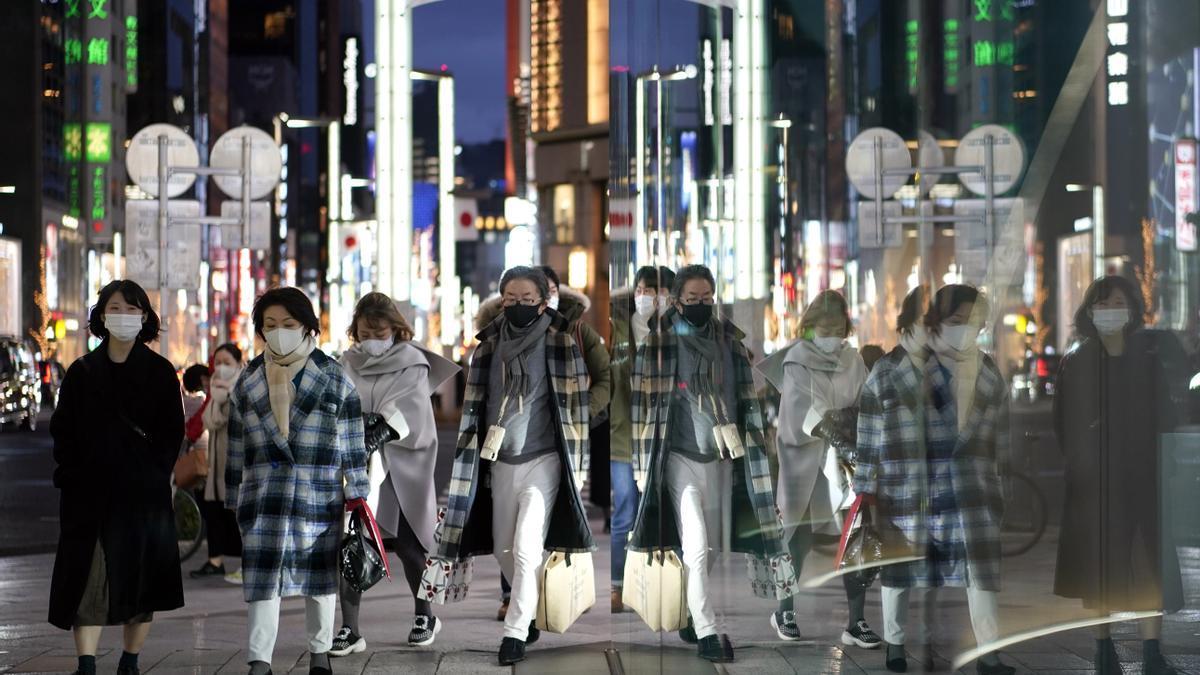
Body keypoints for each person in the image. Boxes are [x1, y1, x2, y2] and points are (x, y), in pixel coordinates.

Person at [425, 266, 594, 666]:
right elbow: (475, 408)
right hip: (499, 459)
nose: (519, 306)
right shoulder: (486, 346)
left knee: (525, 548)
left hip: (545, 459)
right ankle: (529, 608)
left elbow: (576, 408)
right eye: (511, 300)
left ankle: (515, 631)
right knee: (504, 547)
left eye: (527, 300)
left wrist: (578, 464)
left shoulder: (560, 340)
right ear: (501, 301)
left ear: (543, 301)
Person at [628, 264, 794, 664]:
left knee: (715, 546)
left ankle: (689, 612)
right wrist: (640, 465)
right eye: (692, 299)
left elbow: (746, 400)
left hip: (724, 458)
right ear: (677, 300)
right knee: (697, 546)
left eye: (706, 299)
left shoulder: (730, 344)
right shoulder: (660, 341)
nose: (700, 305)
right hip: (678, 457)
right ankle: (706, 629)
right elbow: (642, 405)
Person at [854, 284, 1015, 675]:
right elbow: (869, 435)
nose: (965, 329)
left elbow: (1001, 436)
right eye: (956, 321)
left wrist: (1001, 484)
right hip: (910, 489)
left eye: (972, 323)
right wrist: (865, 492)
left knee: (982, 574)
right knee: (900, 573)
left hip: (970, 489)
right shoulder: (895, 369)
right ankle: (895, 644)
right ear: (936, 322)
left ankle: (989, 653)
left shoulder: (987, 369)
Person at [225, 287, 370, 675]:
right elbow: (235, 443)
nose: (279, 332)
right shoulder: (248, 379)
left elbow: (352, 440)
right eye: (270, 325)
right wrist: (231, 494)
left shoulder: (334, 377)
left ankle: (320, 653)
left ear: (307, 327)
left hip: (317, 494)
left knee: (319, 580)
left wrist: (357, 491)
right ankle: (259, 660)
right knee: (262, 579)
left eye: (288, 324)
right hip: (263, 496)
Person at [48, 280, 185, 675]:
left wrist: (154, 476)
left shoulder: (160, 373)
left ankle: (130, 660)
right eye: (115, 308)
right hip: (88, 496)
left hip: (141, 496)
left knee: (141, 584)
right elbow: (63, 430)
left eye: (131, 309)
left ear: (145, 317)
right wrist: (71, 474)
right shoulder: (82, 372)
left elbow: (171, 433)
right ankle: (86, 664)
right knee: (86, 581)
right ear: (101, 316)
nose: (123, 316)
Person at [1053, 276, 1185, 675]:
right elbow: (1063, 423)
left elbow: (1166, 417)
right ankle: (1103, 651)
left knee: (1149, 566)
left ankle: (1151, 653)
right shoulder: (1077, 363)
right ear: (1091, 311)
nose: (1111, 310)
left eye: (1119, 302)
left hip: (1143, 477)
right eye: (1103, 303)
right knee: (1100, 570)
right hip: (1096, 483)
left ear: (1131, 310)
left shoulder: (1146, 362)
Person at [333, 293, 459, 654]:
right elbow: (340, 402)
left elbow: (413, 407)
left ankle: (424, 614)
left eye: (379, 330)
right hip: (358, 463)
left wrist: (383, 428)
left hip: (402, 465)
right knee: (353, 544)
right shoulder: (348, 362)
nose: (372, 337)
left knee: (409, 545)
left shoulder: (412, 361)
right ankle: (350, 628)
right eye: (365, 330)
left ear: (395, 328)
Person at [767, 290, 879, 648]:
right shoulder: (796, 358)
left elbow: (864, 400)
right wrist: (831, 427)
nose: (831, 335)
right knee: (796, 538)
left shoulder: (853, 359)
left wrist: (850, 432)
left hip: (844, 460)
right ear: (810, 326)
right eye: (823, 327)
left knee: (854, 537)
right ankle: (784, 608)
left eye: (837, 327)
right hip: (804, 460)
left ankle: (856, 619)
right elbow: (799, 411)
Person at [608, 265, 674, 613]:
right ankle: (617, 586)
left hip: (663, 441)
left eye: (659, 291)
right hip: (624, 439)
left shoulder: (674, 330)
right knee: (624, 513)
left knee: (661, 514)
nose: (651, 297)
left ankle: (657, 585)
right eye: (646, 289)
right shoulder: (618, 329)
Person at [198, 343, 245, 584]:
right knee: (214, 511)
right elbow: (209, 419)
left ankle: (244, 562)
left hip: (235, 458)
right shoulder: (215, 388)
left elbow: (225, 418)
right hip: (216, 461)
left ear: (239, 363)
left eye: (227, 362)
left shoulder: (243, 385)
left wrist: (225, 400)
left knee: (236, 511)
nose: (222, 367)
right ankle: (215, 559)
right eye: (218, 363)